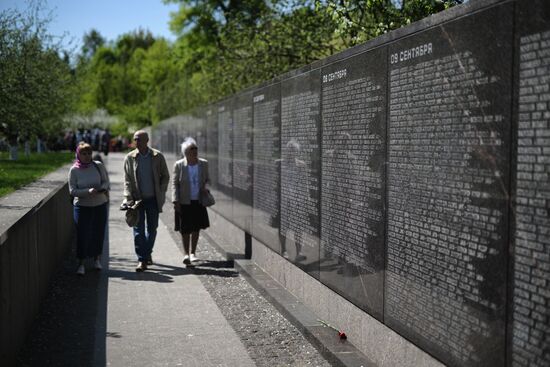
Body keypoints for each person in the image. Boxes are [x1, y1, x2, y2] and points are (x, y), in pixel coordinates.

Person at [123, 130, 170, 272]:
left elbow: (165, 176)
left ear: (147, 140)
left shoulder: (157, 156)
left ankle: (147, 252)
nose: (136, 141)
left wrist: (161, 191)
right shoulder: (130, 158)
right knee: (138, 230)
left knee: (152, 228)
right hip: (137, 200)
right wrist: (128, 197)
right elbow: (127, 181)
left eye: (139, 139)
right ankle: (142, 260)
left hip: (152, 199)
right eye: (135, 139)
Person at [69, 142, 110, 276]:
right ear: (78, 154)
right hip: (82, 206)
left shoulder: (97, 166)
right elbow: (72, 190)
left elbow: (106, 181)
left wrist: (101, 188)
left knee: (98, 233)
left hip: (100, 204)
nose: (87, 156)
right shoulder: (74, 170)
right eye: (83, 153)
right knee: (82, 234)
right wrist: (87, 191)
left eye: (89, 153)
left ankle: (97, 259)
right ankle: (81, 263)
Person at [171, 137, 210, 265]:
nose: (194, 151)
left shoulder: (203, 164)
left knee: (196, 228)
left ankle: (193, 253)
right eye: (191, 149)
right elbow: (175, 184)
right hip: (184, 201)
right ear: (185, 153)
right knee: (185, 229)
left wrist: (206, 188)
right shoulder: (179, 165)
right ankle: (186, 253)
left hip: (198, 200)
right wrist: (175, 200)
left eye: (196, 149)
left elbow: (208, 180)